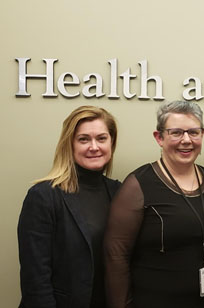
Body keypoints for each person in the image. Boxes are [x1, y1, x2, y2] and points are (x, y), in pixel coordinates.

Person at [104, 100, 204, 308]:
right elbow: (115, 256)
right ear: (159, 137)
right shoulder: (138, 185)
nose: (186, 140)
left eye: (193, 132)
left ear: (202, 135)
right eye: (176, 133)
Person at [18, 106, 121, 308]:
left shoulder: (119, 192)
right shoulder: (43, 196)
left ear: (111, 142)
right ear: (69, 144)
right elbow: (35, 279)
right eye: (83, 139)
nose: (94, 146)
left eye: (101, 138)